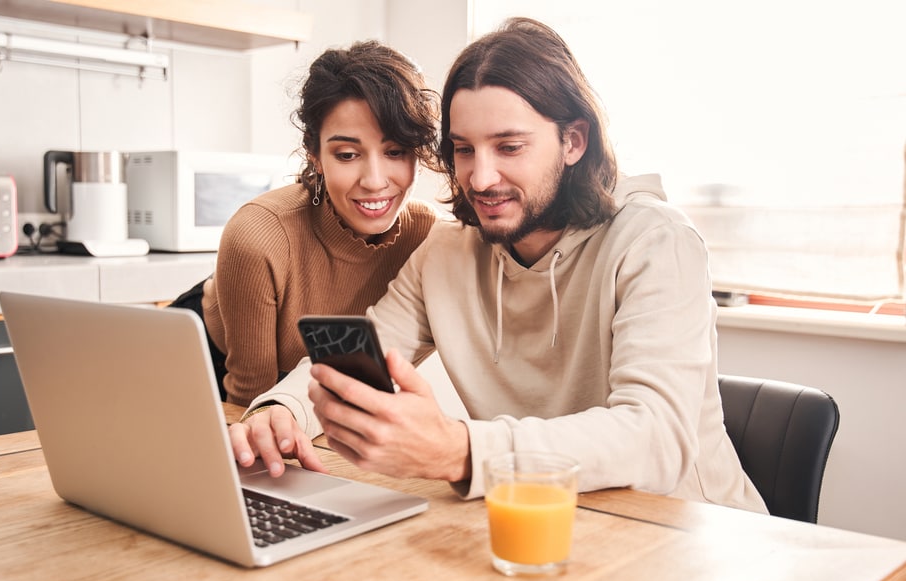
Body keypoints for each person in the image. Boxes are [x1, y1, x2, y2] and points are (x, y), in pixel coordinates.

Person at [231, 18, 767, 514]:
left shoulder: (655, 242)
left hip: (688, 535)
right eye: (464, 150)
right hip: (537, 518)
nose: (481, 178)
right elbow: (361, 351)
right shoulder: (448, 252)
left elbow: (654, 440)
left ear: (573, 141)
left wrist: (459, 451)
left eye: (508, 147)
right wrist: (279, 409)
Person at [169, 40, 442, 407]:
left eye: (395, 152)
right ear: (315, 155)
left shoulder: (427, 236)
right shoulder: (261, 234)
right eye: (347, 155)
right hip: (202, 363)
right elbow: (250, 398)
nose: (375, 180)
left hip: (304, 387)